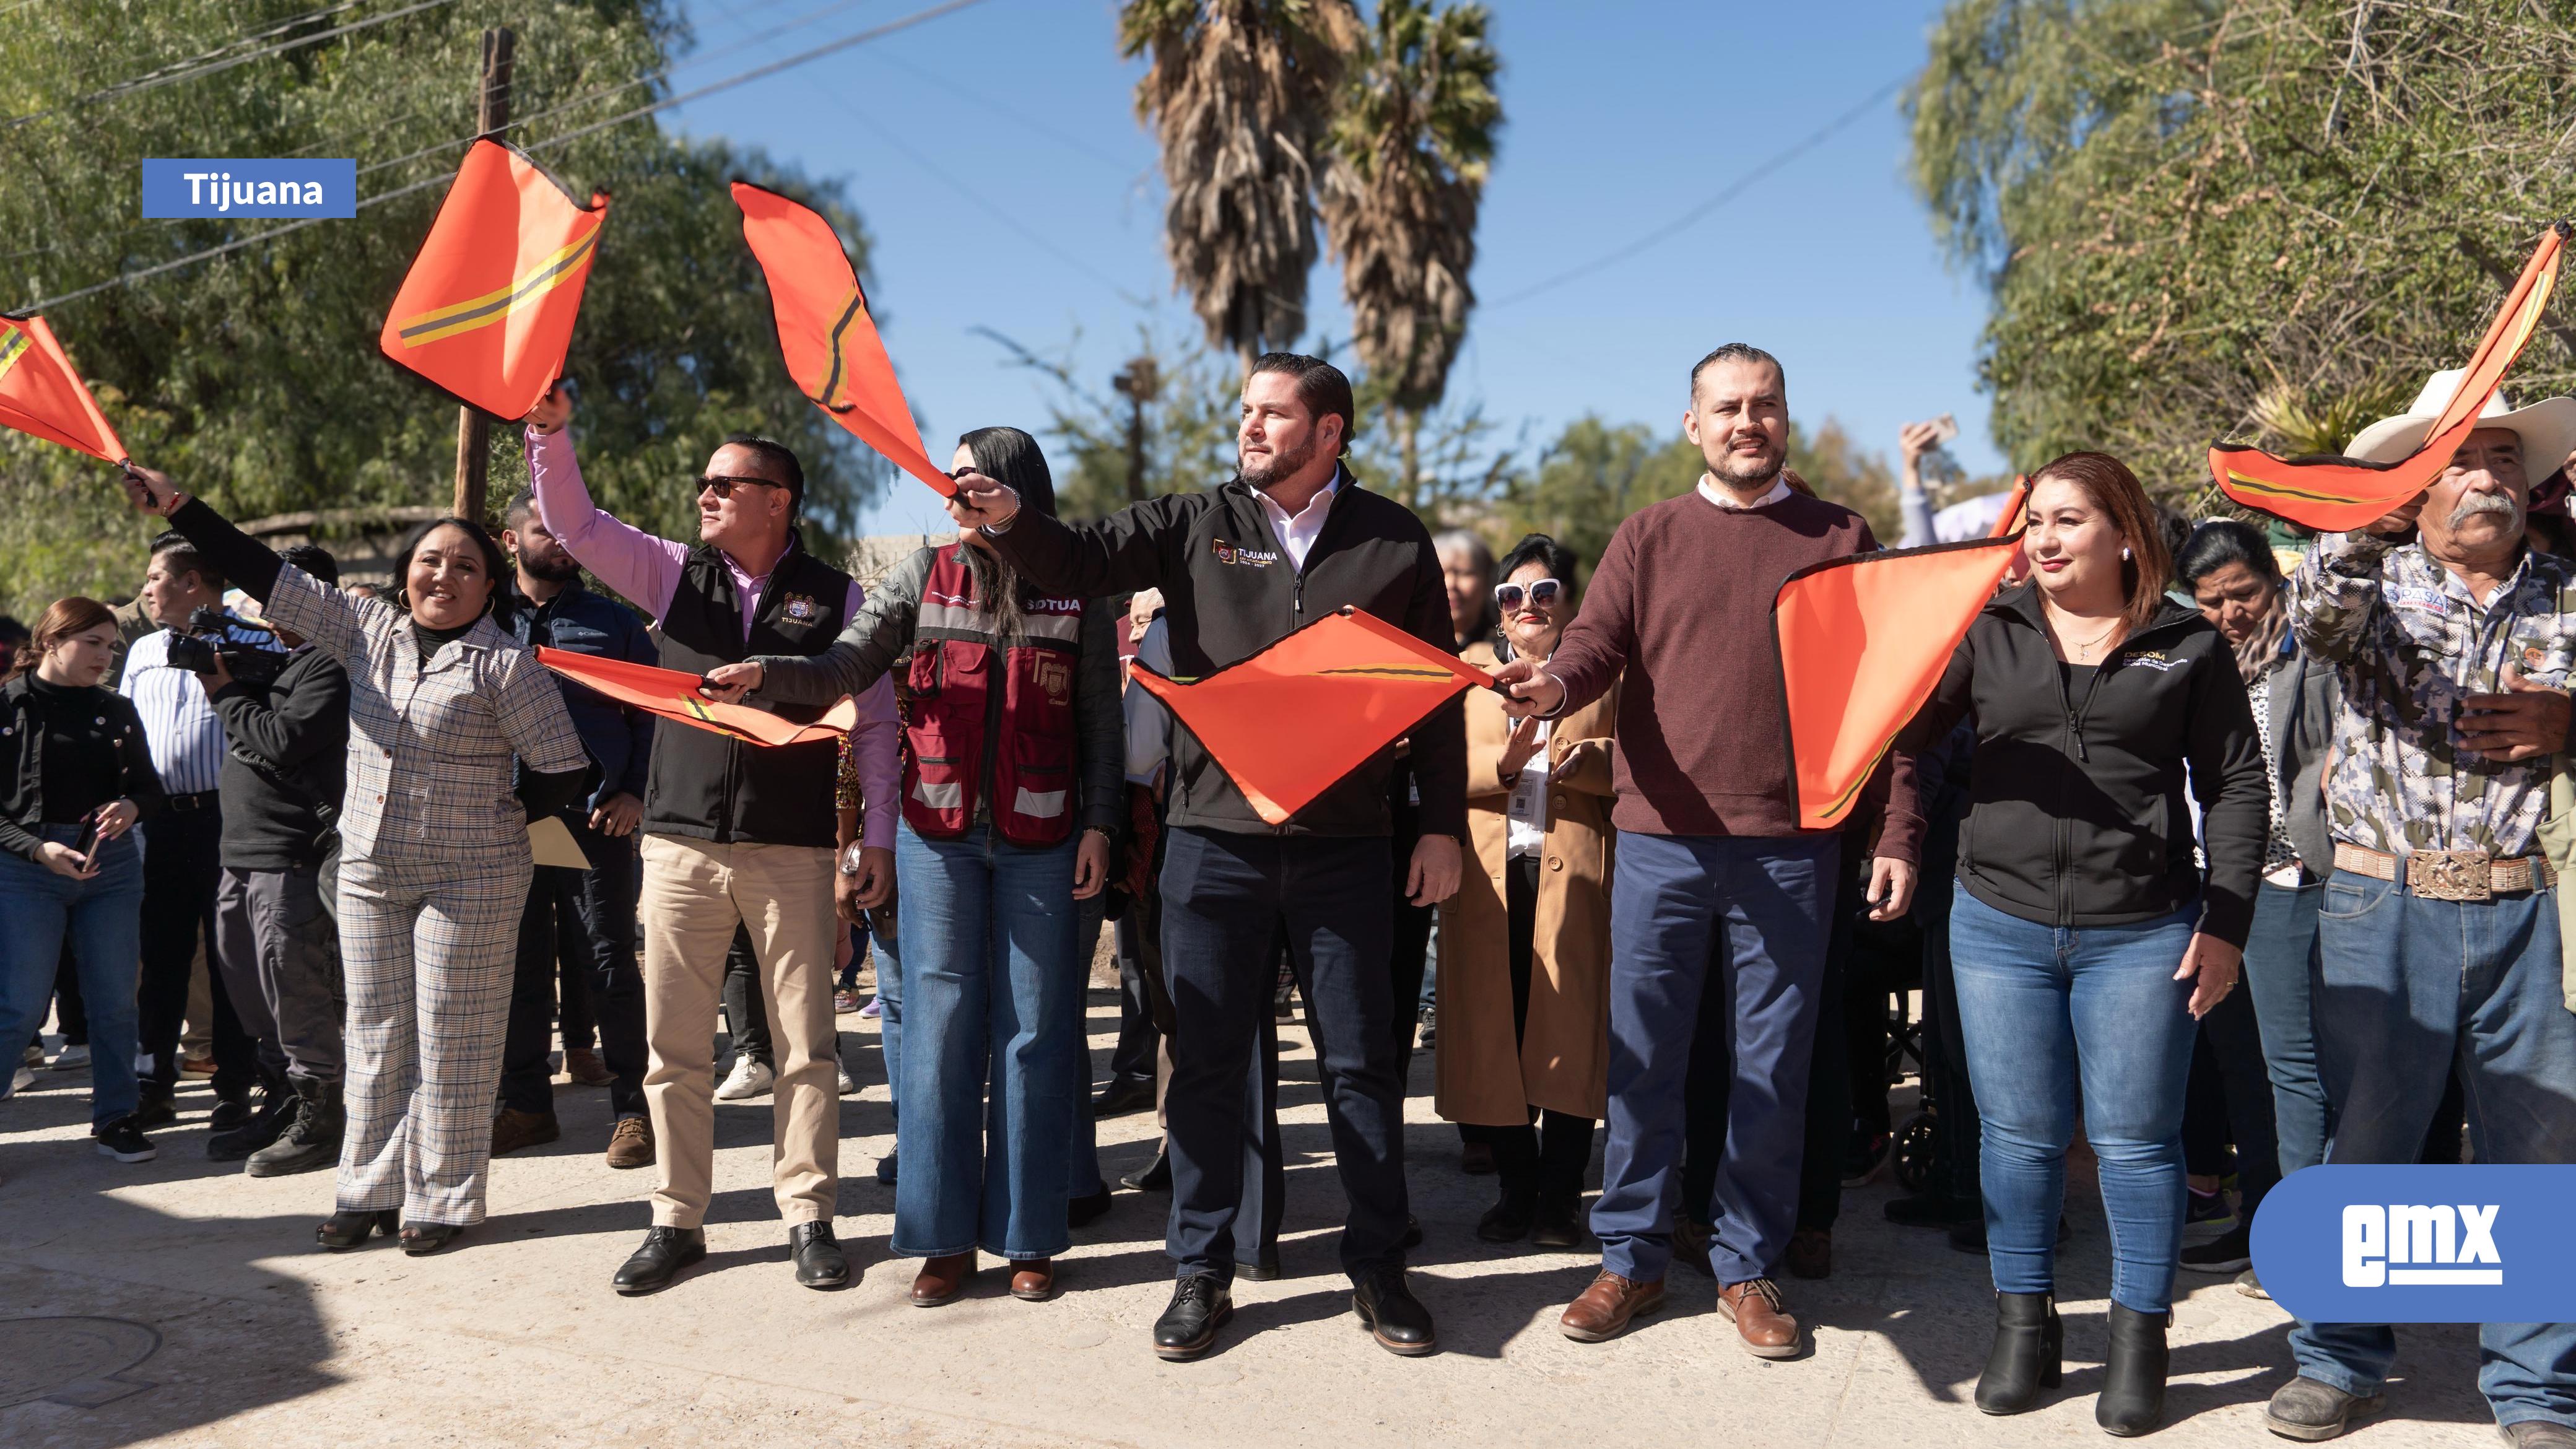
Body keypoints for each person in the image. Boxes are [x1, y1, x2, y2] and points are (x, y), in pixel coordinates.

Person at [946, 352, 1464, 1361]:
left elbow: (1435, 692)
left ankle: (1377, 1268)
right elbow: (1084, 558)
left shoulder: (1395, 539)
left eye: (1273, 414)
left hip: (1349, 851)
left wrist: (1439, 824)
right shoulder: (1194, 522)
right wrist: (1010, 518)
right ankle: (1202, 1269)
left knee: (1361, 1069)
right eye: (1245, 412)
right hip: (1212, 849)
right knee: (1209, 1068)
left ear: (1329, 434)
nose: (1249, 428)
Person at [1496, 344, 1921, 1359]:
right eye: (1726, 406)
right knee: (1643, 1061)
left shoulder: (1839, 534)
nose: (1747, 421)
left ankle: (1744, 1263)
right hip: (1661, 846)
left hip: (1790, 847)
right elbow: (1595, 645)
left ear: (1786, 420)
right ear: (1692, 424)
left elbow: (1886, 694)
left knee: (1771, 1068)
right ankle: (1632, 1257)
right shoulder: (1648, 537)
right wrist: (1553, 688)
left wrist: (1895, 827)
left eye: (1764, 405)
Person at [121, 465, 592, 1254]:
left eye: (466, 566)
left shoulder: (506, 665)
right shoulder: (362, 630)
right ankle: (366, 1188)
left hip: (472, 874)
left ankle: (442, 1196)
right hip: (371, 867)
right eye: (431, 561)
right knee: (373, 1030)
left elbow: (564, 770)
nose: (445, 575)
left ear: (487, 587)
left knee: (453, 1032)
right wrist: (179, 506)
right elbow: (260, 569)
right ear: (406, 573)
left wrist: (496, 818)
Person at [705, 426, 1123, 1304]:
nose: (956, 488)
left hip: (1044, 840)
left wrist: (1100, 827)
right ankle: (940, 1240)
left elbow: (1099, 719)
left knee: (1036, 1036)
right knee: (935, 1036)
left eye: (972, 473)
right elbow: (845, 665)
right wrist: (768, 674)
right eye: (951, 475)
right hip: (939, 840)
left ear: (1013, 486)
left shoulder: (1078, 582)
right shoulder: (921, 573)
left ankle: (1029, 1237)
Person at [1891, 451, 2263, 1435]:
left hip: (2144, 933)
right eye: (2035, 522)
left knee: (2140, 1143)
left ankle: (2142, 1337)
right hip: (1997, 923)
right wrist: (1896, 834)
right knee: (2017, 1138)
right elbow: (1900, 732)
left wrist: (2226, 924)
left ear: (2124, 535)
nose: (2043, 539)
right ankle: (2026, 1328)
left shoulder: (2187, 642)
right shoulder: (1990, 631)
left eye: (2067, 521)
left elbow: (2236, 786)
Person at [521, 385, 899, 1297]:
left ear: (780, 500)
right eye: (704, 483)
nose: (707, 496)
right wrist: (550, 431)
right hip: (681, 845)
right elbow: (572, 524)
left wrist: (873, 841)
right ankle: (676, 1218)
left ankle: (808, 1214)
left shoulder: (840, 597)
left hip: (794, 848)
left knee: (806, 1047)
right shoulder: (669, 574)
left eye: (727, 484)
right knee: (675, 1049)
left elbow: (878, 724)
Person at [2269, 373, 2576, 1447]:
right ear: (2417, 482)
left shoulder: (2571, 592)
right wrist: (2369, 512)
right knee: (2371, 1141)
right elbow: (2307, 618)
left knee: (2540, 1149)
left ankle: (2536, 1387)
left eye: (2502, 458)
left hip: (2531, 910)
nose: (2486, 476)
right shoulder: (2368, 583)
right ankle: (2338, 1359)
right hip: (2378, 901)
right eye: (2460, 458)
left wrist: (2571, 723)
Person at [1438, 533, 1612, 1251]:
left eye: (1543, 593)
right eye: (1513, 595)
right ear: (1498, 610)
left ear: (1566, 604)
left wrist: (1582, 759)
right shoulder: (1466, 673)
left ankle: (1560, 1198)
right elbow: (1437, 763)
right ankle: (1514, 1191)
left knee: (1565, 1040)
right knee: (1495, 1037)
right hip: (1489, 882)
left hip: (1571, 877)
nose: (1527, 606)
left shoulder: (1605, 673)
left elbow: (1642, 760)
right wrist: (1503, 763)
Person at [2175, 519, 2337, 1292]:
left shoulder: (2308, 654)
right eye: (2210, 601)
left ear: (2270, 579)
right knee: (2236, 1062)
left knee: (2291, 1068)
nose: (2230, 612)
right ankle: (2258, 1221)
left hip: (2289, 882)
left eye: (2241, 592)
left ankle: (2303, 1241)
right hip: (2215, 887)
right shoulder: (2195, 664)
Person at [491, 487, 659, 1170]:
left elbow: (653, 714)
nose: (557, 538)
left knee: (610, 962)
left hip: (594, 818)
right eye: (541, 527)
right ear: (509, 542)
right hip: (506, 821)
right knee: (519, 965)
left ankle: (634, 1111)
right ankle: (527, 1106)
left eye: (565, 527)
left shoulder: (614, 621)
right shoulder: (483, 618)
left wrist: (634, 792)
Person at [120, 531, 279, 1127]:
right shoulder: (142, 652)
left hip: (229, 819)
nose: (146, 591)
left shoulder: (251, 644)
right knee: (159, 958)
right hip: (158, 824)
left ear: (191, 583)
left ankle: (235, 1089)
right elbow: (129, 740)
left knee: (230, 957)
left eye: (155, 578)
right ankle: (152, 1083)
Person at [204, 544, 352, 1176]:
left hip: (291, 855)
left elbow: (283, 740)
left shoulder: (330, 666)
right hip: (239, 853)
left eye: (284, 592)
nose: (270, 606)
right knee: (249, 985)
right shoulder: (278, 662)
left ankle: (322, 1116)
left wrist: (223, 690)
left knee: (296, 987)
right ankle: (287, 1098)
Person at [0, 598, 165, 1162]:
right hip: (27, 869)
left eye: (111, 644)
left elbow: (148, 787)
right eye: (92, 643)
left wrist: (131, 808)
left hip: (109, 866)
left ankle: (117, 1116)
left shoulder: (115, 710)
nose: (105, 655)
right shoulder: (8, 707)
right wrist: (35, 847)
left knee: (115, 1001)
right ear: (51, 641)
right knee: (20, 1007)